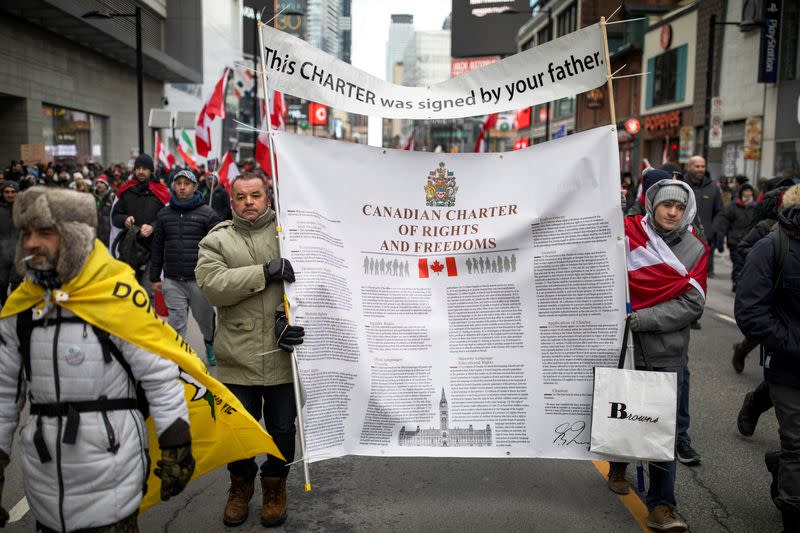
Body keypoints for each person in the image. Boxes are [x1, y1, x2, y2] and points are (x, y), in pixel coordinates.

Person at [0, 187, 195, 532]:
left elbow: (159, 378)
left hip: (112, 474)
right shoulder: (22, 306)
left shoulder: (116, 294)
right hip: (45, 480)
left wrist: (176, 447)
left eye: (45, 232)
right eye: (26, 233)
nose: (31, 243)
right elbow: (3, 394)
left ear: (73, 237)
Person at [196, 172, 304, 528]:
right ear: (232, 202)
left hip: (280, 357)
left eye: (255, 194)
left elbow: (312, 282)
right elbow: (214, 286)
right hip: (236, 358)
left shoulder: (290, 235)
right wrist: (263, 272)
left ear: (267, 198)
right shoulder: (217, 240)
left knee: (283, 432)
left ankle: (275, 485)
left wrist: (285, 319)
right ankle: (239, 486)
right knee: (239, 434)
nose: (249, 202)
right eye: (241, 197)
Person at [608, 180, 707, 532]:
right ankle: (618, 463)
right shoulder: (628, 236)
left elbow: (693, 304)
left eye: (679, 207)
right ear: (652, 205)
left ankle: (662, 504)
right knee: (623, 411)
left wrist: (643, 318)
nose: (672, 212)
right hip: (626, 343)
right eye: (666, 204)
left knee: (661, 431)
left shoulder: (695, 249)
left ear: (686, 211)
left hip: (666, 350)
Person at [734, 194, 800, 533]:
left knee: (793, 452)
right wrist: (793, 344)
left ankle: (781, 464)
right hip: (788, 367)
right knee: (798, 444)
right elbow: (749, 313)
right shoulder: (773, 246)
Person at [150, 170, 222, 367]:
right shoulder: (164, 214)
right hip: (173, 279)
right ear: (173, 186)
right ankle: (179, 359)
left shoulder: (207, 214)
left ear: (194, 187)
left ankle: (209, 344)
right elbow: (157, 247)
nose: (182, 187)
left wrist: (216, 273)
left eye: (187, 183)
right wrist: (155, 277)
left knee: (205, 320)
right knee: (176, 322)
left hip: (199, 279)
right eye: (178, 183)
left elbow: (219, 245)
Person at [732, 179, 797, 373]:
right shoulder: (767, 226)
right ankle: (741, 350)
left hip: (789, 290)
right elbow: (743, 246)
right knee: (766, 329)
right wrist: (763, 262)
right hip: (769, 285)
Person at [111, 154, 169, 296]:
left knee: (148, 292)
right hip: (130, 249)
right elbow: (115, 217)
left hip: (153, 250)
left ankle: (148, 317)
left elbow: (167, 218)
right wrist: (124, 220)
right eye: (138, 168)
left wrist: (153, 227)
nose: (141, 172)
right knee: (127, 291)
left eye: (145, 169)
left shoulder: (160, 193)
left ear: (151, 171)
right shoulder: (126, 191)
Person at [682, 156, 723, 277]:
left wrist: (712, 229)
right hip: (684, 238)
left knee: (702, 277)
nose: (700, 169)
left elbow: (720, 212)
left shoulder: (713, 188)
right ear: (690, 167)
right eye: (697, 166)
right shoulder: (681, 185)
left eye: (702, 166)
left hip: (706, 239)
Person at [719, 183, 757, 292]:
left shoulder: (755, 206)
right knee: (738, 263)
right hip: (734, 240)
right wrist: (721, 237)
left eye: (750, 191)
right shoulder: (733, 205)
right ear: (741, 193)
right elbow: (725, 221)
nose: (748, 193)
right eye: (746, 191)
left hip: (749, 241)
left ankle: (741, 282)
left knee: (746, 263)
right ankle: (736, 281)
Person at [0, 181, 18, 304]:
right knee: (2, 284)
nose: (10, 195)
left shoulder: (23, 209)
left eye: (13, 192)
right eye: (7, 192)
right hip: (2, 255)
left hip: (19, 255)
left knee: (17, 285)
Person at [93, 174, 115, 247]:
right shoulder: (93, 198)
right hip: (96, 232)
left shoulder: (112, 197)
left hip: (109, 233)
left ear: (106, 185)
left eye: (101, 182)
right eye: (97, 183)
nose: (99, 185)